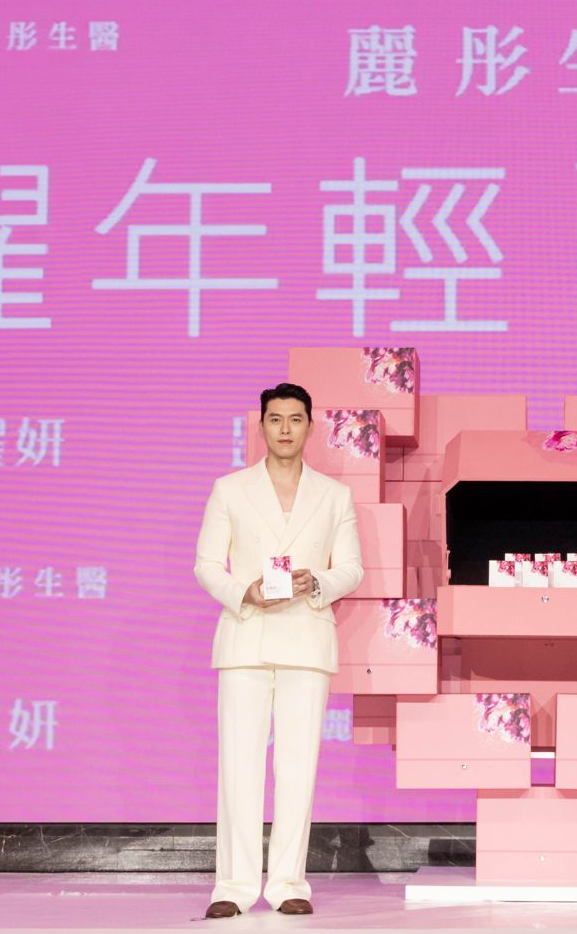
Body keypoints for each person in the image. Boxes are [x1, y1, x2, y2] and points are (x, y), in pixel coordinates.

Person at [195, 383, 364, 918]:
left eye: (295, 419)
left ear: (310, 426)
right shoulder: (230, 489)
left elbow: (351, 568)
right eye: (275, 418)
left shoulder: (333, 495)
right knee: (239, 766)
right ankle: (233, 887)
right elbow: (206, 564)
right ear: (261, 425)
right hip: (245, 636)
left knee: (298, 767)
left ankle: (289, 882)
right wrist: (241, 591)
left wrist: (319, 583)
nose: (285, 428)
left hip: (306, 637)